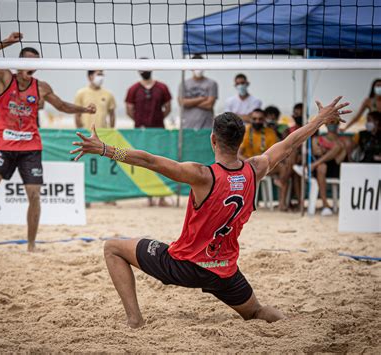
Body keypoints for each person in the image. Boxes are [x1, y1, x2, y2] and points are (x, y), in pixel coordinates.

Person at [71, 97, 350, 328]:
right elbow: (289, 144)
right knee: (257, 312)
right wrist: (319, 120)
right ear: (241, 139)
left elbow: (149, 160)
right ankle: (292, 326)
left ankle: (135, 321)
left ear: (213, 139)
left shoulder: (202, 175)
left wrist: (105, 149)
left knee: (113, 248)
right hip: (224, 273)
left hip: (183, 265)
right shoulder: (256, 168)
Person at [0, 32, 96, 251]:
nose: (31, 67)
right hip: (3, 147)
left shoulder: (41, 87)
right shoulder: (6, 77)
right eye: (27, 62)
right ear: (18, 64)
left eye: (35, 63)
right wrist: (8, 42)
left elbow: (61, 106)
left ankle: (31, 246)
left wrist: (84, 109)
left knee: (34, 196)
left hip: (30, 148)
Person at [125, 68, 172, 206]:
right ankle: (149, 196)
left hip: (158, 132)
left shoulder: (162, 87)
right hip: (141, 133)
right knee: (143, 163)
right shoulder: (133, 89)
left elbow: (168, 107)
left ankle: (161, 196)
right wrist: (140, 123)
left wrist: (157, 121)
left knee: (162, 162)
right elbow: (129, 109)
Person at [294, 123, 347, 216]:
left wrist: (325, 152)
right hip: (320, 166)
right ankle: (325, 204)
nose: (332, 125)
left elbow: (340, 153)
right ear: (326, 125)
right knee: (322, 167)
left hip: (333, 166)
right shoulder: (317, 139)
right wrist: (329, 152)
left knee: (336, 149)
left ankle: (311, 167)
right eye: (330, 122)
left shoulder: (342, 140)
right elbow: (316, 151)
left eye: (334, 122)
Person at [179, 55, 218, 129]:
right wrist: (201, 99)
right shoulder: (184, 84)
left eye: (200, 65)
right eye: (196, 66)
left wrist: (190, 103)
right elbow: (182, 103)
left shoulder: (212, 83)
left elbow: (209, 105)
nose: (198, 69)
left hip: (207, 127)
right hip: (187, 127)